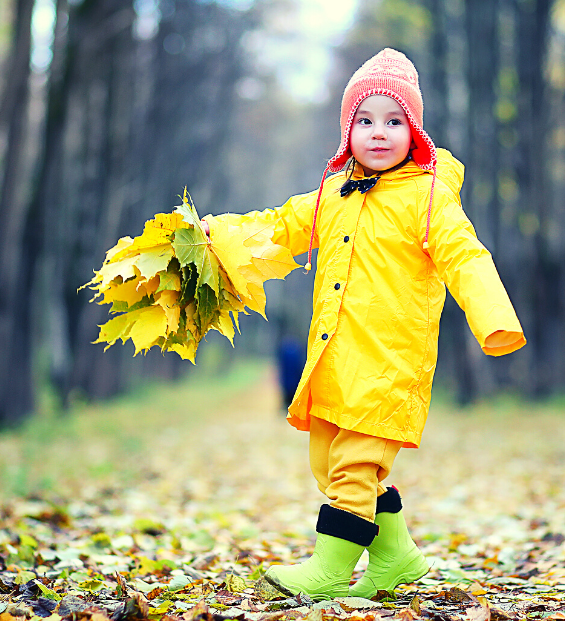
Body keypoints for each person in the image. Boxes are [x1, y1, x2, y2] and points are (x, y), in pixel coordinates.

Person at [202, 48, 525, 600]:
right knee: (331, 465)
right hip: (334, 361)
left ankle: (329, 571)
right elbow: (278, 228)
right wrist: (220, 234)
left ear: (414, 131)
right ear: (347, 130)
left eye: (394, 121)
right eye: (366, 121)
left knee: (353, 471)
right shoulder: (333, 193)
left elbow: (465, 256)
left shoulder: (428, 198)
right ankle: (396, 556)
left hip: (388, 365)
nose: (379, 133)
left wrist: (494, 317)